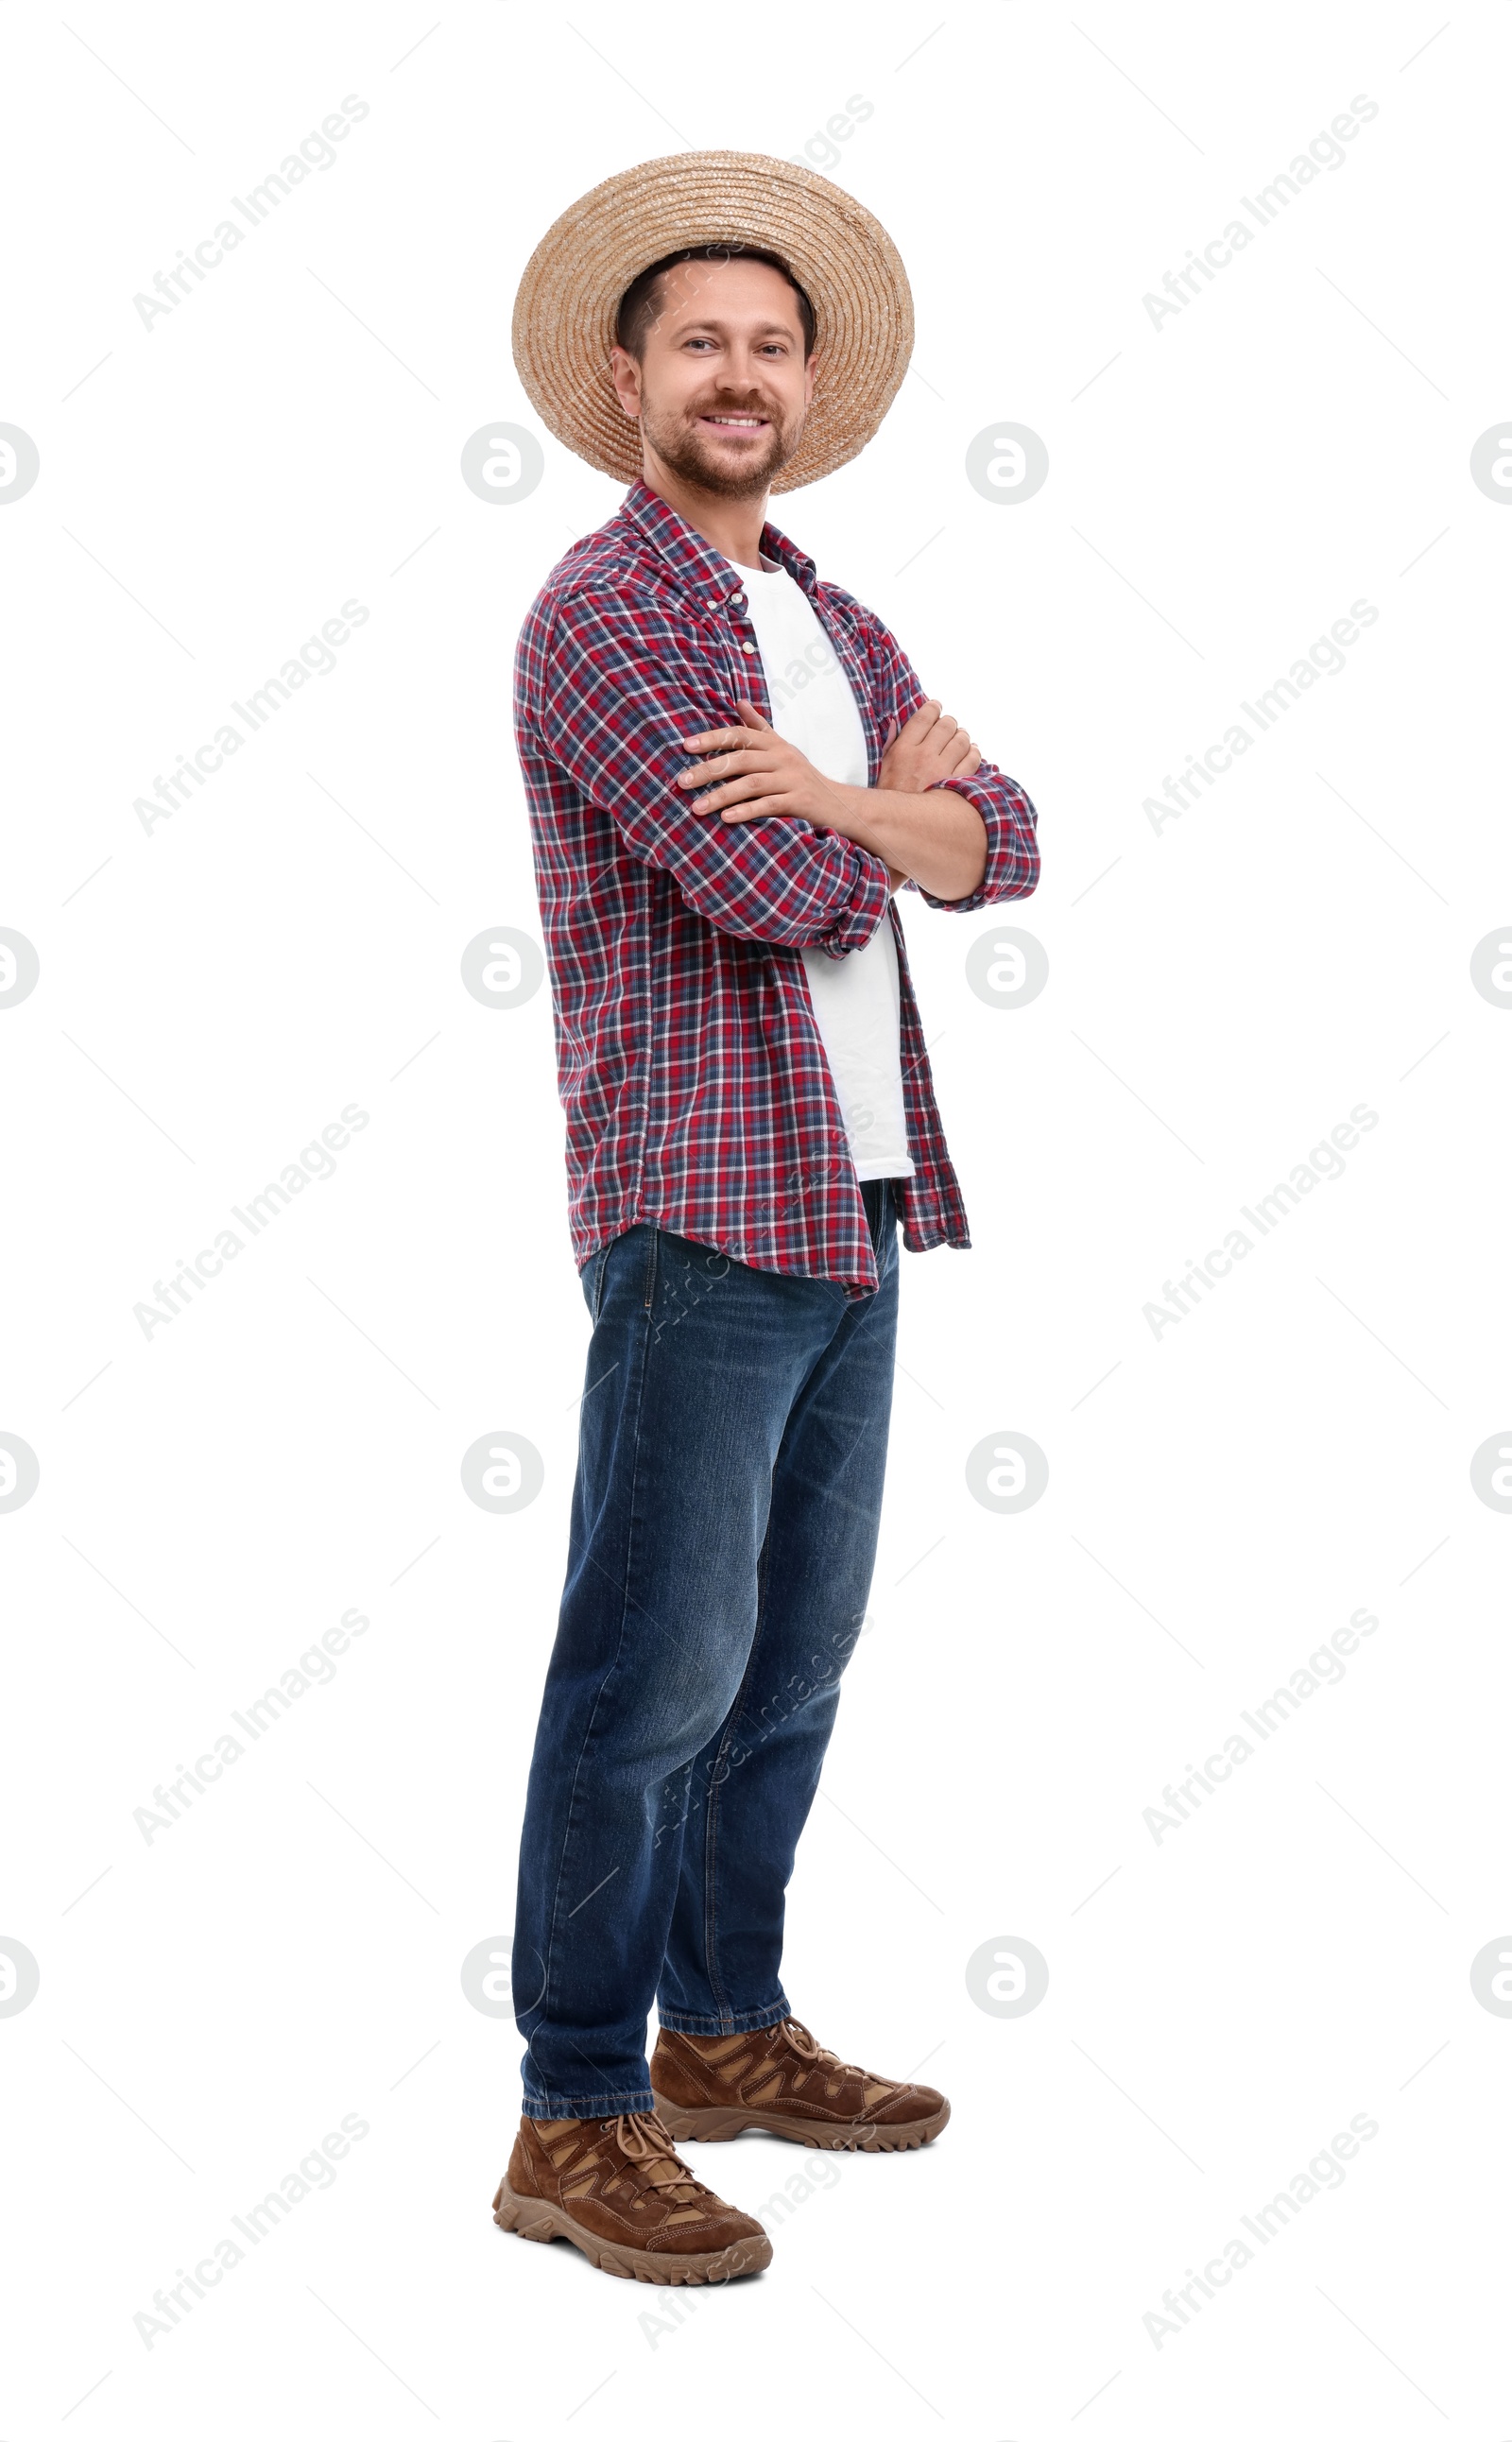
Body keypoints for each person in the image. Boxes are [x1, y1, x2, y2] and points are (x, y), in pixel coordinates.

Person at [491, 152, 1040, 2285]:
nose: (739, 374)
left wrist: (865, 802)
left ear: (807, 384)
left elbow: (1005, 835)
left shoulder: (824, 612)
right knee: (647, 1676)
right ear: (626, 379)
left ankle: (718, 2029)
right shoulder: (600, 614)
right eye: (698, 342)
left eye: (768, 344)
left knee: (790, 1661)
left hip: (860, 1194)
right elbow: (780, 885)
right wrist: (870, 818)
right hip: (699, 1219)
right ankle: (571, 2107)